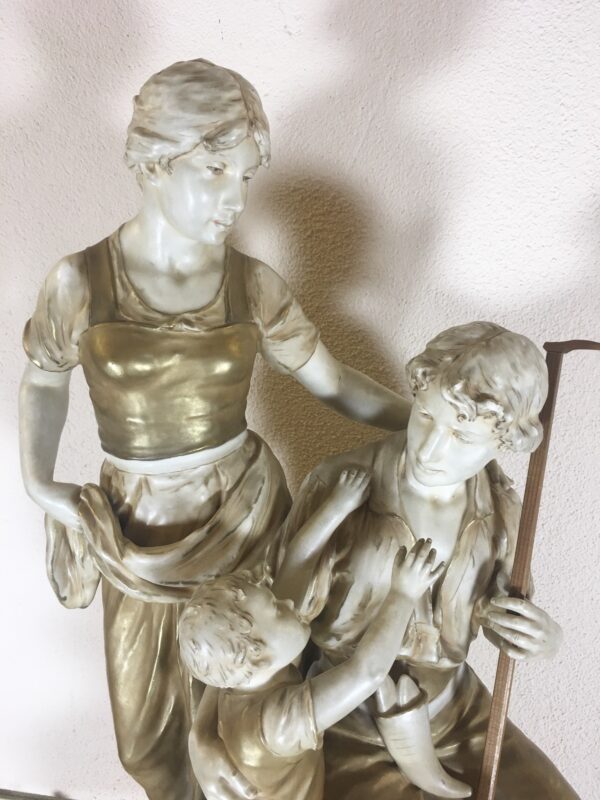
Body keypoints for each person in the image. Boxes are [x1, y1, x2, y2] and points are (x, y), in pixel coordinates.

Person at [18, 59, 411, 800]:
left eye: (246, 177)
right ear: (154, 163)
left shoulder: (252, 284)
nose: (235, 198)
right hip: (134, 533)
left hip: (243, 522)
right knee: (147, 747)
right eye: (216, 170)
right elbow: (44, 378)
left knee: (248, 731)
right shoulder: (81, 282)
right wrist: (40, 482)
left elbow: (331, 381)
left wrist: (426, 424)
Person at [271, 321, 580, 799]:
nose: (431, 449)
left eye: (462, 436)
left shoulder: (501, 510)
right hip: (348, 715)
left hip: (456, 714)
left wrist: (537, 636)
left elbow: (498, 610)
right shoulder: (339, 483)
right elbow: (281, 608)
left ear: (503, 443)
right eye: (426, 416)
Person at [179, 469, 453, 800]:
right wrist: (403, 594)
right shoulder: (277, 723)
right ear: (257, 654)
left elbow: (296, 565)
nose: (287, 602)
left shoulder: (245, 679)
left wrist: (338, 505)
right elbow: (365, 673)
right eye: (277, 609)